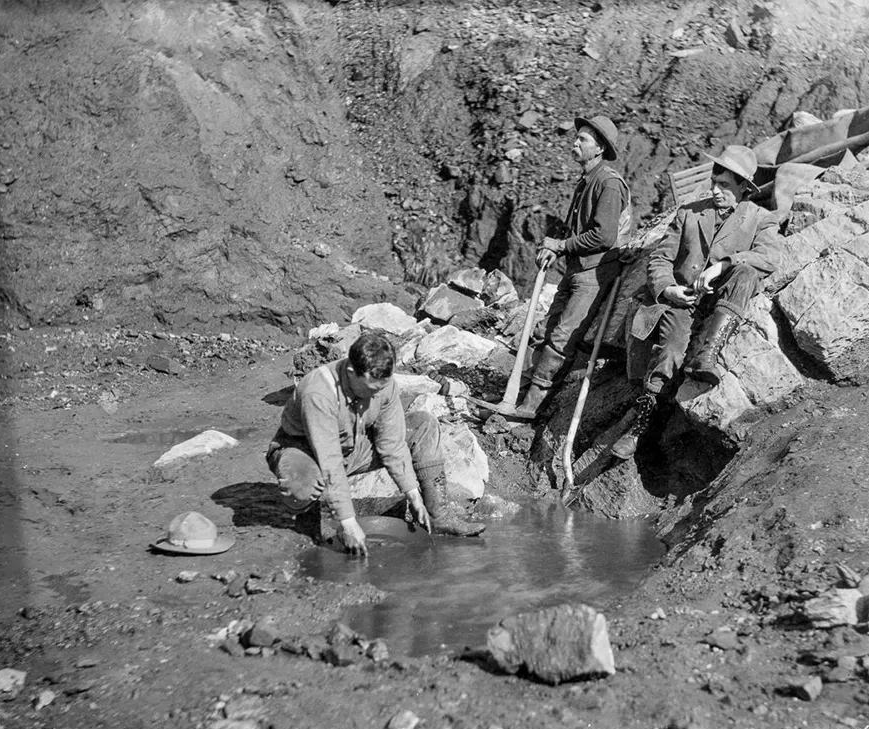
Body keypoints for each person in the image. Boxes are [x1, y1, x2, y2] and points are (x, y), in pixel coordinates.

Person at [611, 145, 780, 460]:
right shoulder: (689, 212)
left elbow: (770, 256)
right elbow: (660, 259)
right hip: (683, 302)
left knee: (745, 272)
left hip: (721, 302)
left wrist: (725, 264)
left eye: (724, 185)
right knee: (669, 352)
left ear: (744, 187)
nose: (715, 190)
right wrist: (668, 289)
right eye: (714, 182)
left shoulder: (760, 219)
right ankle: (639, 428)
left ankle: (706, 357)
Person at [266, 330, 484, 556]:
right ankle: (309, 525)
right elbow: (330, 462)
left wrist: (413, 494)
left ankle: (438, 517)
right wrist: (348, 522)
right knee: (303, 483)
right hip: (305, 451)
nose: (376, 395)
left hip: (353, 446)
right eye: (371, 389)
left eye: (381, 388)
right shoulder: (319, 393)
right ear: (351, 372)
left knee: (423, 425)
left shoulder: (383, 384)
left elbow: (393, 444)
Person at [512, 114, 631, 420]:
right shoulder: (586, 180)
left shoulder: (608, 183)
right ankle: (517, 391)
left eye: (583, 139)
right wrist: (558, 249)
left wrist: (562, 246)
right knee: (545, 330)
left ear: (600, 148)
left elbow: (604, 236)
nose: (575, 143)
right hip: (575, 269)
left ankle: (532, 405)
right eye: (576, 137)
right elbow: (576, 229)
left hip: (594, 274)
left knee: (562, 338)